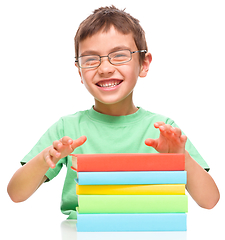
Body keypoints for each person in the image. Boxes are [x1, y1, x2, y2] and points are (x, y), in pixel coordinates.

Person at [7, 5, 219, 219]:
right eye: (90, 60)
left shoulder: (164, 130)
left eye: (119, 55)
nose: (105, 68)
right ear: (80, 72)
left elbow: (209, 201)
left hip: (149, 231)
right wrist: (45, 159)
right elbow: (16, 194)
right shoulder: (67, 128)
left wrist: (181, 157)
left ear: (144, 64)